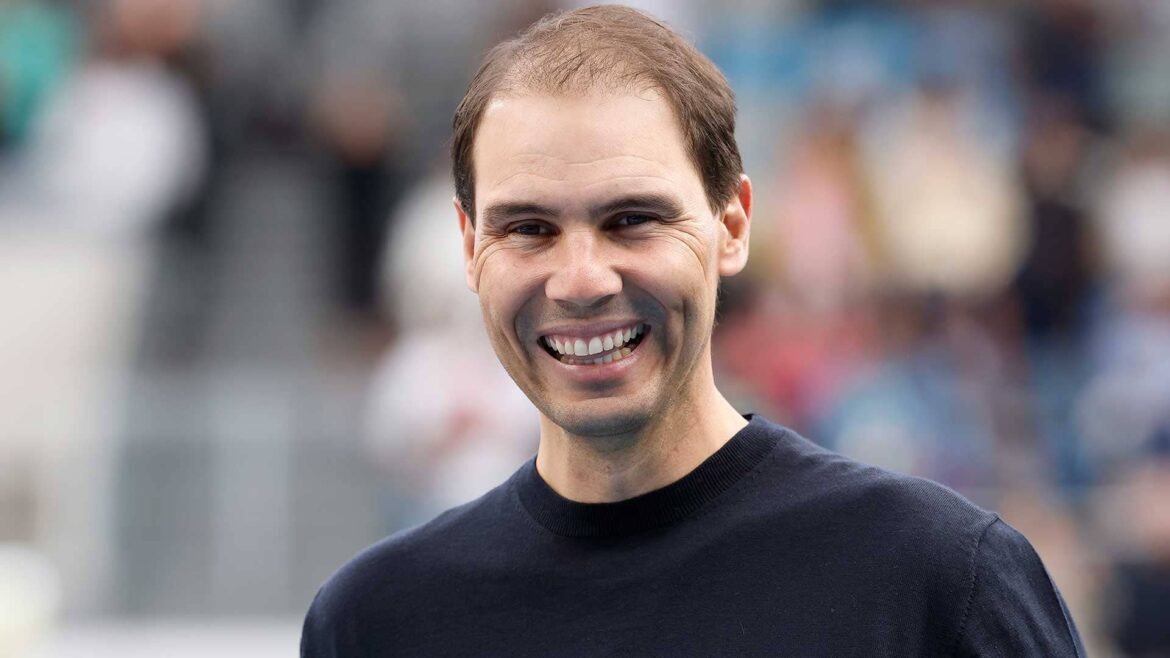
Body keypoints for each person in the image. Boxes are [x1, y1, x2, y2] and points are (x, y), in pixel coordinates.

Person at [301, 6, 1085, 656]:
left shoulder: (939, 584)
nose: (581, 280)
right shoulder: (376, 624)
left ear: (733, 224)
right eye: (530, 229)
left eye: (632, 220)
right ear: (470, 249)